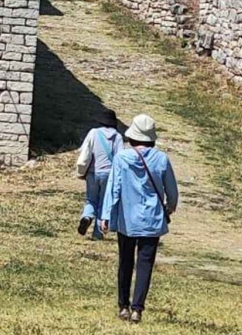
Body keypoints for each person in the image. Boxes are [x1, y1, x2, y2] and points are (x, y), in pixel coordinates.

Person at [100, 114, 179, 324]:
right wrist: (170, 207)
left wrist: (106, 214)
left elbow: (114, 188)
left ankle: (123, 305)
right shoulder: (161, 159)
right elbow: (172, 190)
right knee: (145, 264)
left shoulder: (122, 158)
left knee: (125, 261)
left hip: (127, 218)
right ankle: (137, 309)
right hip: (152, 219)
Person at [74, 108, 122, 239]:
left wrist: (81, 171)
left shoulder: (93, 133)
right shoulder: (118, 137)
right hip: (109, 175)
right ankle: (97, 233)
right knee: (104, 202)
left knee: (91, 199)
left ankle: (87, 217)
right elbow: (120, 158)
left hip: (92, 173)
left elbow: (85, 153)